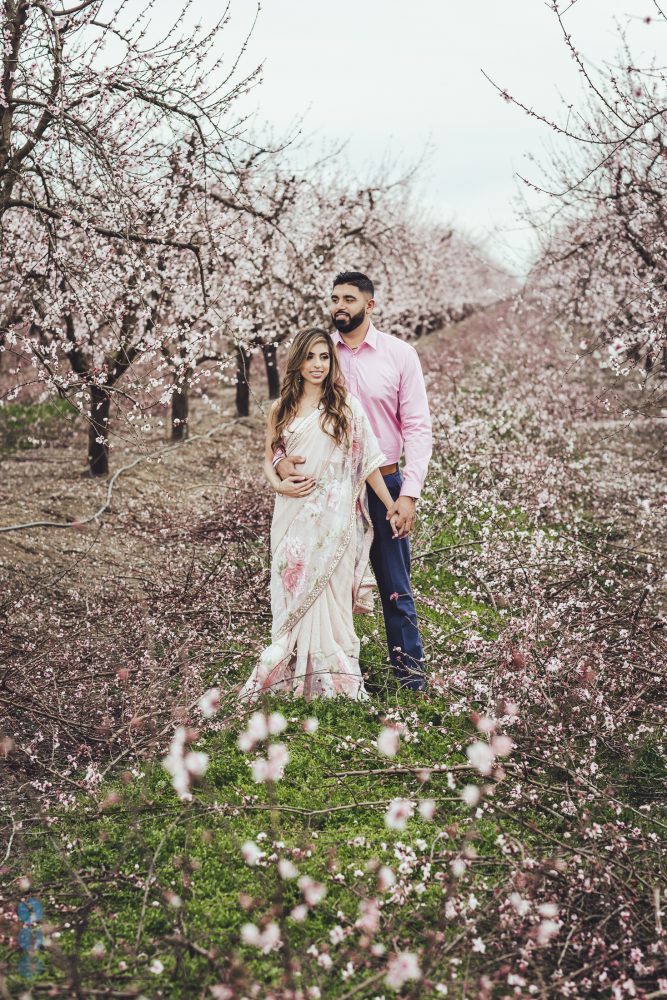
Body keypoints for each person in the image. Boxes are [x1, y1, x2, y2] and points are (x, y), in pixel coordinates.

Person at [274, 272, 432, 690]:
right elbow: (287, 418)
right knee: (328, 580)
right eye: (334, 298)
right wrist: (280, 462)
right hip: (329, 491)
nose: (339, 305)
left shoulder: (400, 355)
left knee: (394, 584)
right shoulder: (320, 353)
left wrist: (409, 494)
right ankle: (331, 673)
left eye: (349, 298)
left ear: (370, 305)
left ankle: (411, 679)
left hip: (383, 483)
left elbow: (417, 427)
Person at [239, 328, 400, 702]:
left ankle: (334, 683)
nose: (317, 365)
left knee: (331, 601)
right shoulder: (282, 408)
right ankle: (289, 678)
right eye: (310, 357)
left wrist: (390, 504)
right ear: (297, 361)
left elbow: (369, 463)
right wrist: (278, 485)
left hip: (334, 523)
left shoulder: (346, 407)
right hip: (292, 517)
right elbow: (268, 459)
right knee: (292, 594)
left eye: (324, 357)